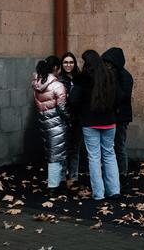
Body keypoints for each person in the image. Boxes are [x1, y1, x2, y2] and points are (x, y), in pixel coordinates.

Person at [70, 49, 120, 201]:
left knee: (94, 157)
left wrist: (80, 111)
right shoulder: (110, 75)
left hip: (89, 122)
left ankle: (99, 194)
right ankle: (114, 190)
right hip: (109, 121)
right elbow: (119, 97)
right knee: (110, 155)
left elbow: (73, 99)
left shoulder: (83, 78)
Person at [31, 56, 69, 194]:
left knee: (54, 152)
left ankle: (60, 181)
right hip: (57, 122)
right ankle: (53, 186)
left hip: (44, 121)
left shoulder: (37, 83)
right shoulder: (58, 85)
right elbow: (62, 107)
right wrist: (70, 119)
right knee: (56, 155)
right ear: (55, 68)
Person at [102, 46, 133, 179]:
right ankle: (115, 173)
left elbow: (123, 97)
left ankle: (122, 173)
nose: (106, 66)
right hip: (113, 115)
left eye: (108, 63)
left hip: (121, 116)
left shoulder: (124, 76)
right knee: (112, 147)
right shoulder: (112, 74)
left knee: (119, 145)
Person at [58, 51, 82, 187]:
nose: (68, 65)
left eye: (71, 62)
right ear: (62, 64)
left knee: (75, 149)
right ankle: (62, 178)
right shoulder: (59, 80)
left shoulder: (79, 79)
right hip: (64, 120)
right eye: (66, 62)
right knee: (63, 150)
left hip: (78, 119)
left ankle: (74, 177)